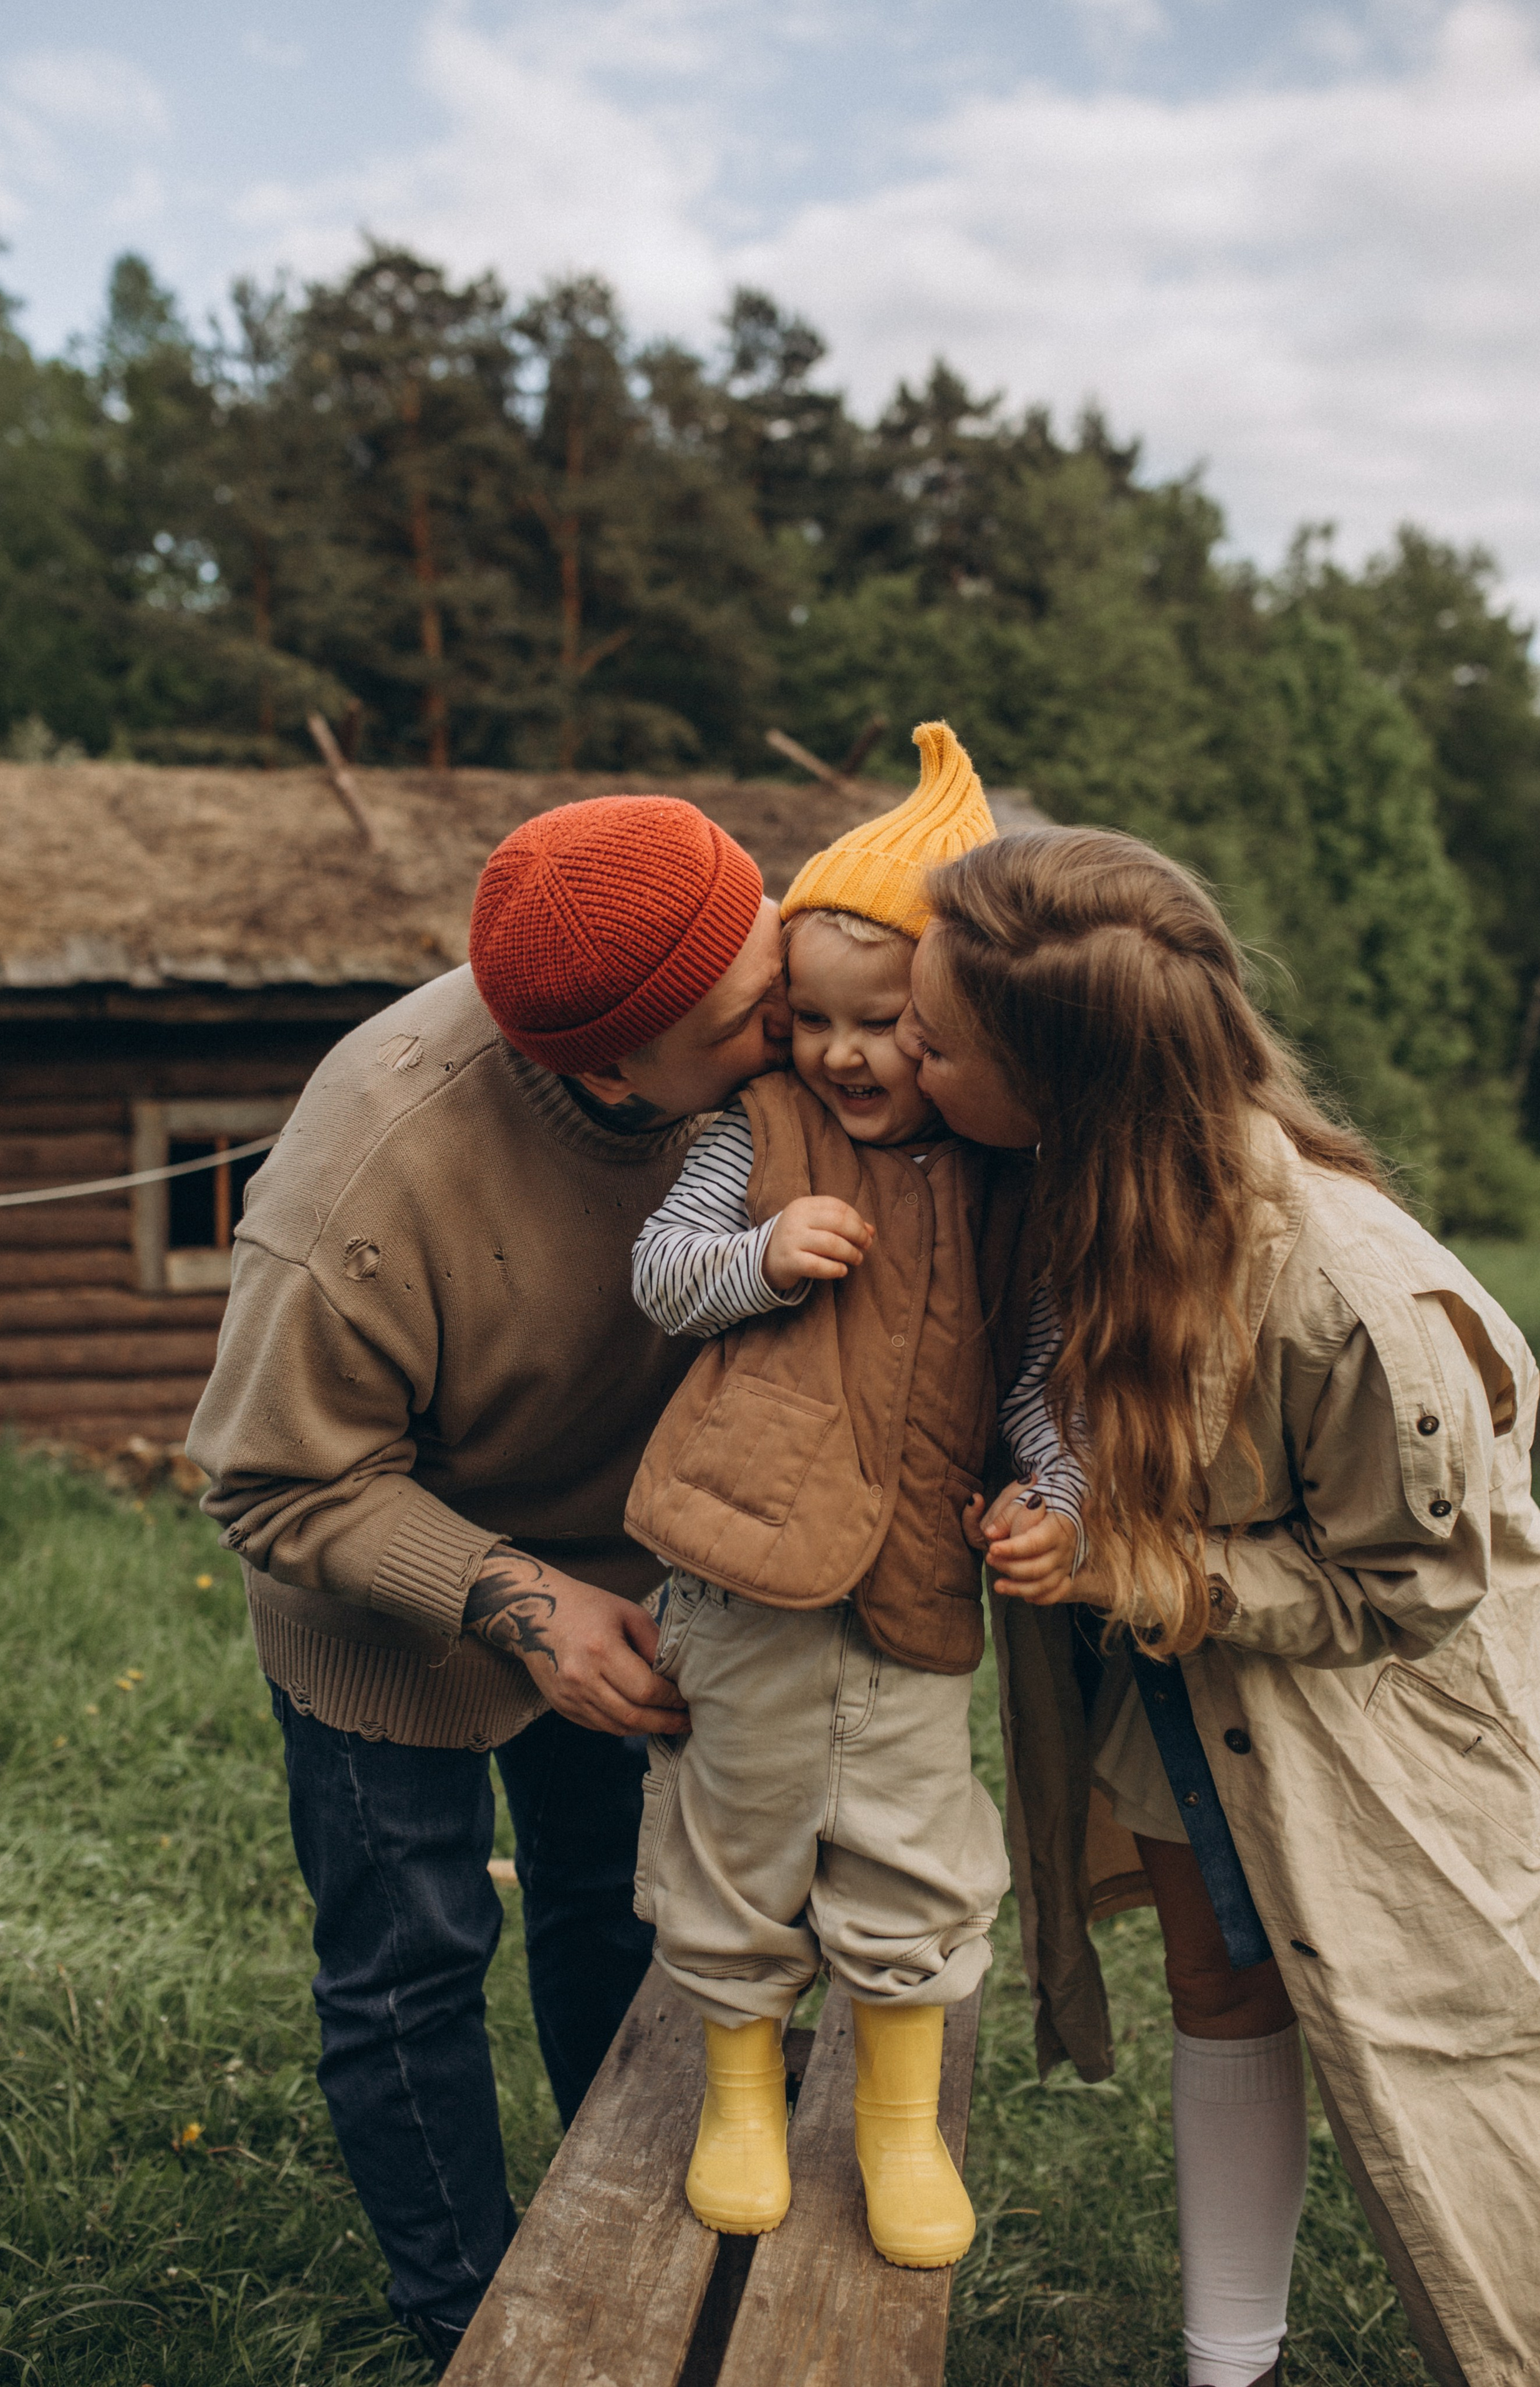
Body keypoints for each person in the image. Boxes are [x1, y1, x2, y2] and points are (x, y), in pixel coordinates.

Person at [897, 822, 1540, 2387]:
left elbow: (1412, 1586)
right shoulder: (1056, 1185)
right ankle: (1224, 2360)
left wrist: (1147, 1570)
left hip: (1367, 1721)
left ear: (1061, 1083)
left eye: (932, 1038)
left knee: (1443, 2040)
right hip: (1192, 1698)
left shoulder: (1344, 1296)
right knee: (1221, 1988)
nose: (900, 1056)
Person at [186, 794, 792, 2372]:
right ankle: (463, 2320)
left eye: (772, 960)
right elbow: (269, 1478)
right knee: (411, 1964)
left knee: (621, 1914)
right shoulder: (367, 1175)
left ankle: (651, 2249)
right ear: (604, 1070)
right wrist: (518, 1603)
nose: (791, 1026)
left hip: (631, 1575)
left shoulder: (759, 1037)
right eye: (749, 1019)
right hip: (387, 1589)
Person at [622, 723, 1083, 2269]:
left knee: (906, 1841)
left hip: (909, 1580)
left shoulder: (1007, 1173)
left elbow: (1033, 1372)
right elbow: (656, 1282)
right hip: (742, 1570)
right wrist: (755, 1259)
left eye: (882, 1024)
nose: (843, 1055)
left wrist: (1059, 1494)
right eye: (809, 1022)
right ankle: (737, 2091)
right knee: (733, 1829)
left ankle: (895, 2120)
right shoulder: (752, 1134)